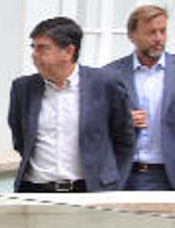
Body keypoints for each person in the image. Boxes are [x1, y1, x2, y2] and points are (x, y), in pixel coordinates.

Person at [9, 16, 134, 193]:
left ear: (68, 52)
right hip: (36, 191)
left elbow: (124, 139)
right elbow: (20, 139)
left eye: (42, 48)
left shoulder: (105, 84)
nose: (34, 55)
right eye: (33, 47)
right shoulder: (23, 88)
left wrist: (113, 183)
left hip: (89, 191)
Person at [104, 5, 173, 190]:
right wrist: (122, 120)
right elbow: (95, 127)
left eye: (163, 31)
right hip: (123, 175)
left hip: (168, 175)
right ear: (131, 35)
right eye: (151, 32)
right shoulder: (110, 75)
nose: (159, 38)